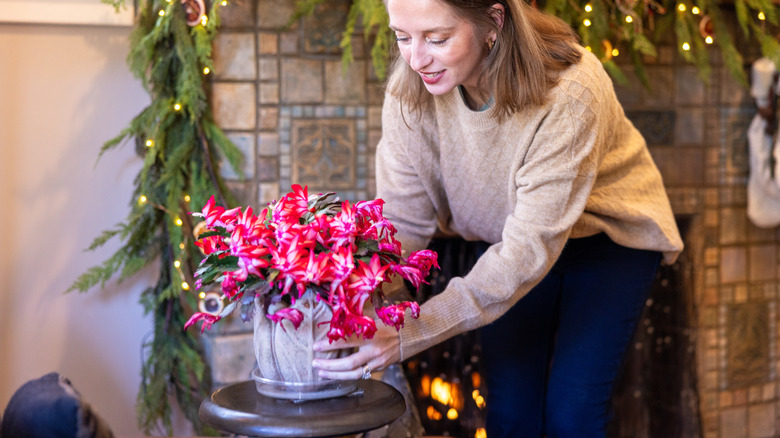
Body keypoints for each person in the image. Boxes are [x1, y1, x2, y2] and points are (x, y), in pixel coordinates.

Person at [312, 0, 684, 436]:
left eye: (436, 38)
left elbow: (529, 251)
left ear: (493, 20)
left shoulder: (571, 90)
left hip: (607, 242)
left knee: (574, 415)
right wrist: (353, 302)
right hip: (505, 243)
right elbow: (403, 227)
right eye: (402, 37)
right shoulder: (407, 97)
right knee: (511, 413)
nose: (416, 59)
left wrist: (410, 332)